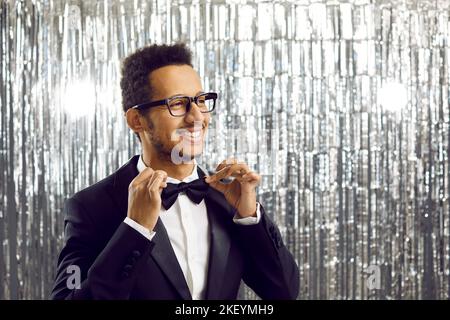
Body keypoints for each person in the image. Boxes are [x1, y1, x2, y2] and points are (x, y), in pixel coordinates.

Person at [51, 43, 299, 300]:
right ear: (137, 120)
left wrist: (248, 217)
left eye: (201, 100)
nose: (197, 117)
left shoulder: (229, 200)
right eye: (178, 103)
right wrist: (135, 230)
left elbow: (283, 292)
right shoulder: (91, 206)